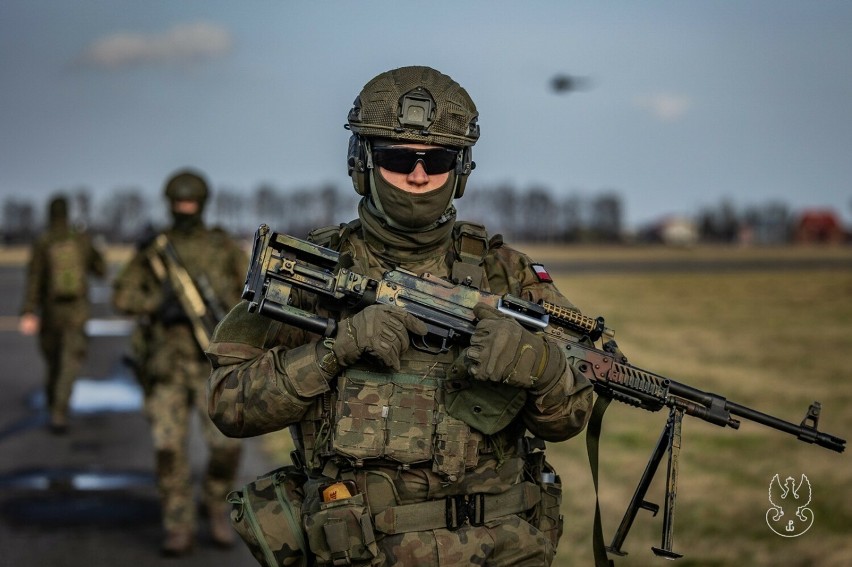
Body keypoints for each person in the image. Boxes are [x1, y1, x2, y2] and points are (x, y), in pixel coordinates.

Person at [207, 66, 595, 566]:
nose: (417, 175)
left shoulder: (509, 278)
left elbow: (572, 416)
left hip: (500, 550)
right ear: (361, 163)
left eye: (437, 159)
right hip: (358, 550)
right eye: (397, 158)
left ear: (462, 170)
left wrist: (542, 368)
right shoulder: (308, 271)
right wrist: (333, 350)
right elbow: (227, 404)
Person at [111, 169, 247, 556]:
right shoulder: (154, 250)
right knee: (168, 449)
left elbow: (250, 300)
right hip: (165, 367)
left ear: (202, 203)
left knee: (226, 448)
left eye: (191, 203)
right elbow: (122, 297)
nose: (185, 209)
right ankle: (179, 524)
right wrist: (158, 305)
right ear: (170, 204)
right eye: (179, 203)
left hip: (214, 368)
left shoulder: (222, 248)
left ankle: (214, 504)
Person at [19, 194, 106, 434]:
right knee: (70, 363)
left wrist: (28, 310)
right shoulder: (80, 239)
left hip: (50, 311)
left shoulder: (44, 241)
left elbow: (34, 278)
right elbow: (101, 270)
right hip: (77, 312)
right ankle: (59, 410)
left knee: (53, 362)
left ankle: (53, 406)